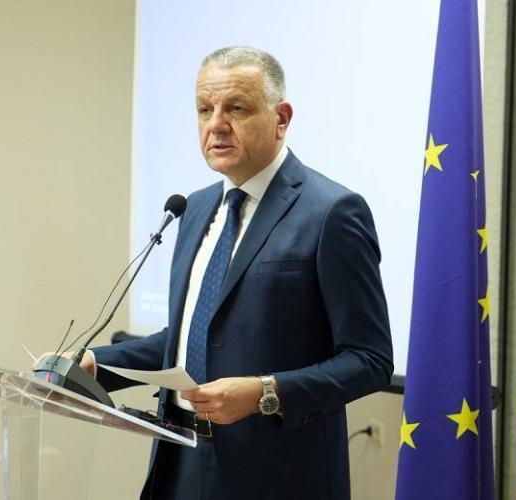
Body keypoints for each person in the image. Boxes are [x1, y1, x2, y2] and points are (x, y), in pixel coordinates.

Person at [86, 46, 392, 500]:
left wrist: (264, 393)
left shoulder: (332, 212)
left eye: (236, 109)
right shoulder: (194, 209)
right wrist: (95, 366)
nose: (216, 124)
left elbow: (369, 360)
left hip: (278, 477)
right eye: (204, 110)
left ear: (281, 118)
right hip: (179, 461)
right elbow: (189, 339)